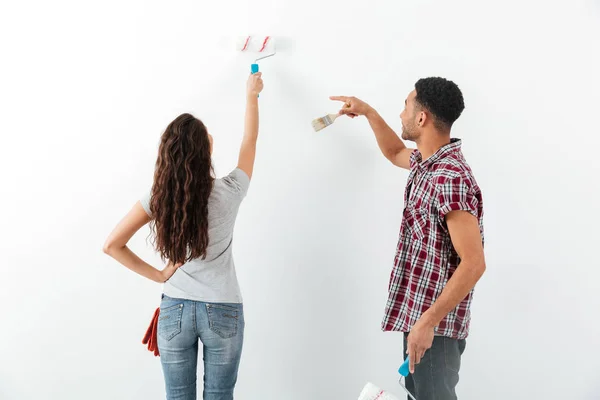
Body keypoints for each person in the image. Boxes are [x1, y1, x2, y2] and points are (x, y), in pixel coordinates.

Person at [103, 71, 264, 400]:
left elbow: (112, 245)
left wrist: (160, 274)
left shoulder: (159, 198)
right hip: (223, 310)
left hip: (175, 310)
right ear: (207, 149)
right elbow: (249, 142)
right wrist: (251, 95)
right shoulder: (230, 191)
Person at [331, 77, 486, 400]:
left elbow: (474, 263)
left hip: (436, 328)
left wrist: (428, 322)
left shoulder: (451, 177)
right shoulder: (426, 165)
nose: (401, 114)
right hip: (421, 322)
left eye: (405, 106)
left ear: (421, 118)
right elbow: (394, 151)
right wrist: (369, 113)